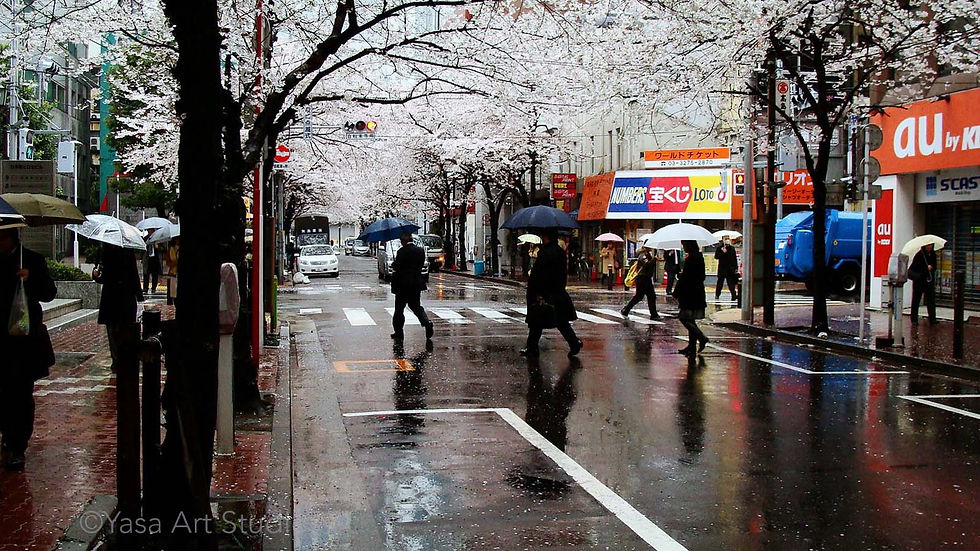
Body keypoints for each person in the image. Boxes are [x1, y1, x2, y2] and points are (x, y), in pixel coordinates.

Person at [0, 228, 57, 470]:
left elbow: (49, 293)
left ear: (11, 237)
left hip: (24, 341)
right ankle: (7, 436)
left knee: (21, 394)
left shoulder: (32, 260)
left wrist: (30, 278)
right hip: (1, 341)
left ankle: (17, 445)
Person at [521, 229, 582, 358]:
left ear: (547, 237)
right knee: (559, 322)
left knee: (538, 321)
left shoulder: (546, 253)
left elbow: (540, 274)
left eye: (543, 235)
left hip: (545, 293)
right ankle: (573, 342)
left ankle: (532, 348)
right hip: (557, 292)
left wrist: (538, 291)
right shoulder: (559, 252)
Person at [93, 244, 144, 373]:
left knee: (116, 330)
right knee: (117, 329)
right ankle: (119, 358)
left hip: (117, 297)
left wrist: (139, 296)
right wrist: (139, 296)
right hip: (120, 297)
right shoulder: (107, 251)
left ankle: (118, 358)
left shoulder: (109, 251)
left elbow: (102, 277)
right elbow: (134, 274)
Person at [390, 232, 434, 341]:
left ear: (404, 241)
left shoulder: (401, 251)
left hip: (402, 285)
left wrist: (394, 264)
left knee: (399, 309)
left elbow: (398, 266)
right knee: (416, 307)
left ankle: (398, 332)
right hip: (415, 284)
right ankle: (426, 323)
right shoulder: (420, 251)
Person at [674, 240, 709, 356]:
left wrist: (677, 288)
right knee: (691, 319)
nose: (684, 248)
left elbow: (685, 278)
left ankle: (702, 337)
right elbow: (701, 276)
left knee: (684, 318)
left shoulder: (691, 259)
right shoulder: (700, 258)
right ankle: (692, 347)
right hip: (697, 292)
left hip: (689, 293)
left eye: (684, 245)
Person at [620, 245, 661, 320]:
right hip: (642, 278)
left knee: (651, 296)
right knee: (639, 297)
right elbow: (646, 265)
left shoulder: (648, 254)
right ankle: (625, 310)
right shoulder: (642, 255)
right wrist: (654, 259)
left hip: (647, 278)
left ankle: (654, 314)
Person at [909, 243, 938, 325]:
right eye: (928, 246)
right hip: (919, 281)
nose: (929, 247)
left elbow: (935, 266)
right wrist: (926, 268)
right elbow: (914, 268)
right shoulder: (919, 255)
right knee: (916, 300)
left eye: (931, 246)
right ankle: (914, 319)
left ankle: (932, 319)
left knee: (931, 300)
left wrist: (932, 267)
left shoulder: (933, 254)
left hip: (929, 281)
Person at [714, 237, 739, 303]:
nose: (727, 240)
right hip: (722, 269)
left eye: (728, 238)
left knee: (731, 283)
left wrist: (736, 267)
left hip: (730, 269)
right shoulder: (720, 248)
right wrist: (723, 252)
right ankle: (717, 294)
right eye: (725, 239)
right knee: (720, 282)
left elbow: (734, 258)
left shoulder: (732, 248)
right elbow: (716, 257)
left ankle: (733, 295)